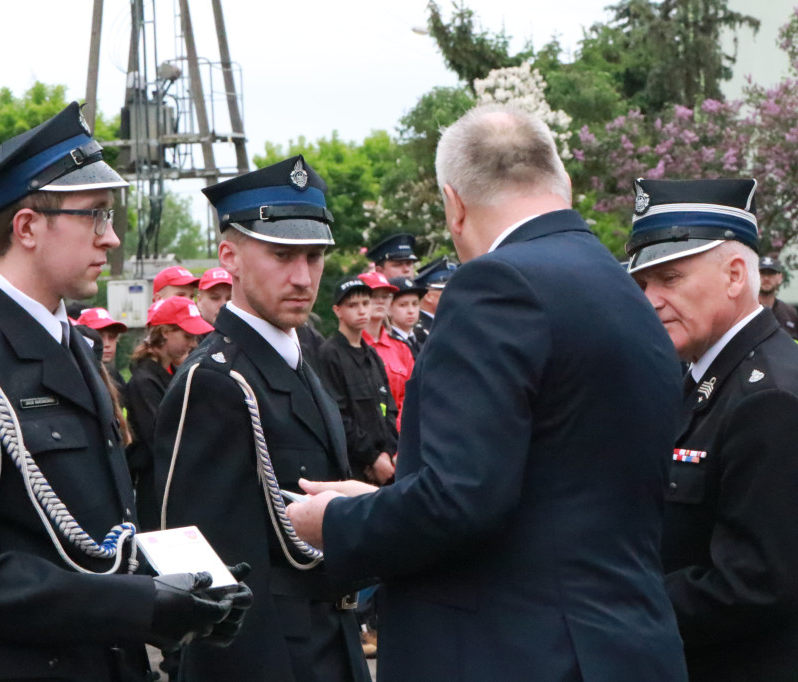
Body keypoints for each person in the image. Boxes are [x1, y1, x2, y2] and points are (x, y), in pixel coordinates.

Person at [286, 105, 688, 681]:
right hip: (622, 645)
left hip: (520, 651)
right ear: (564, 184)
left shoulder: (496, 285)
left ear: (454, 204)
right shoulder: (620, 286)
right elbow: (553, 479)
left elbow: (461, 498)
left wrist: (338, 523)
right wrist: (378, 500)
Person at [0, 102, 249, 681]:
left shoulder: (74, 346)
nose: (111, 239)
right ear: (28, 227)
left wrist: (181, 591)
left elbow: (94, 532)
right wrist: (135, 606)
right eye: (96, 217)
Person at [154, 155, 371, 682]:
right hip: (267, 661)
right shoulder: (215, 381)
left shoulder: (299, 359)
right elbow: (195, 565)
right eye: (282, 255)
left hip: (330, 649)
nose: (302, 277)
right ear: (229, 255)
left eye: (314, 256)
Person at [627, 178, 798, 680]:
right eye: (643, 284)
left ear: (734, 275)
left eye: (670, 279)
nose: (651, 300)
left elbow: (754, 581)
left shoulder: (767, 396)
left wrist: (619, 607)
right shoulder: (706, 377)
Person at [125, 297, 212, 532]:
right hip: (156, 487)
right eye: (187, 336)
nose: (193, 344)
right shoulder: (144, 382)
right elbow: (162, 439)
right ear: (164, 332)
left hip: (175, 483)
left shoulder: (171, 373)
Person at [318, 277, 396, 485]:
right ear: (337, 311)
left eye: (365, 303)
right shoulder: (329, 354)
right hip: (353, 468)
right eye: (353, 305)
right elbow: (336, 416)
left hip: (385, 465)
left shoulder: (372, 355)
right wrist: (372, 458)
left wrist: (387, 453)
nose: (362, 311)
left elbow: (389, 409)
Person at [357, 272, 413, 427]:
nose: (380, 301)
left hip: (401, 438)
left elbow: (411, 396)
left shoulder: (401, 348)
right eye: (374, 295)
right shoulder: (346, 347)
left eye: (386, 296)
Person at [411, 256, 455, 340]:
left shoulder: (442, 323)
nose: (453, 295)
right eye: (446, 290)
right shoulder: (419, 330)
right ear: (428, 296)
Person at [756, 255, 798, 339]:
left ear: (780, 278)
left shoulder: (790, 314)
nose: (766, 278)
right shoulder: (745, 311)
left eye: (771, 273)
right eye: (762, 273)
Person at [387, 276, 426, 359]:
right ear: (388, 308)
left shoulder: (421, 337)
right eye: (403, 305)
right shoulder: (389, 341)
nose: (411, 311)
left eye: (415, 304)